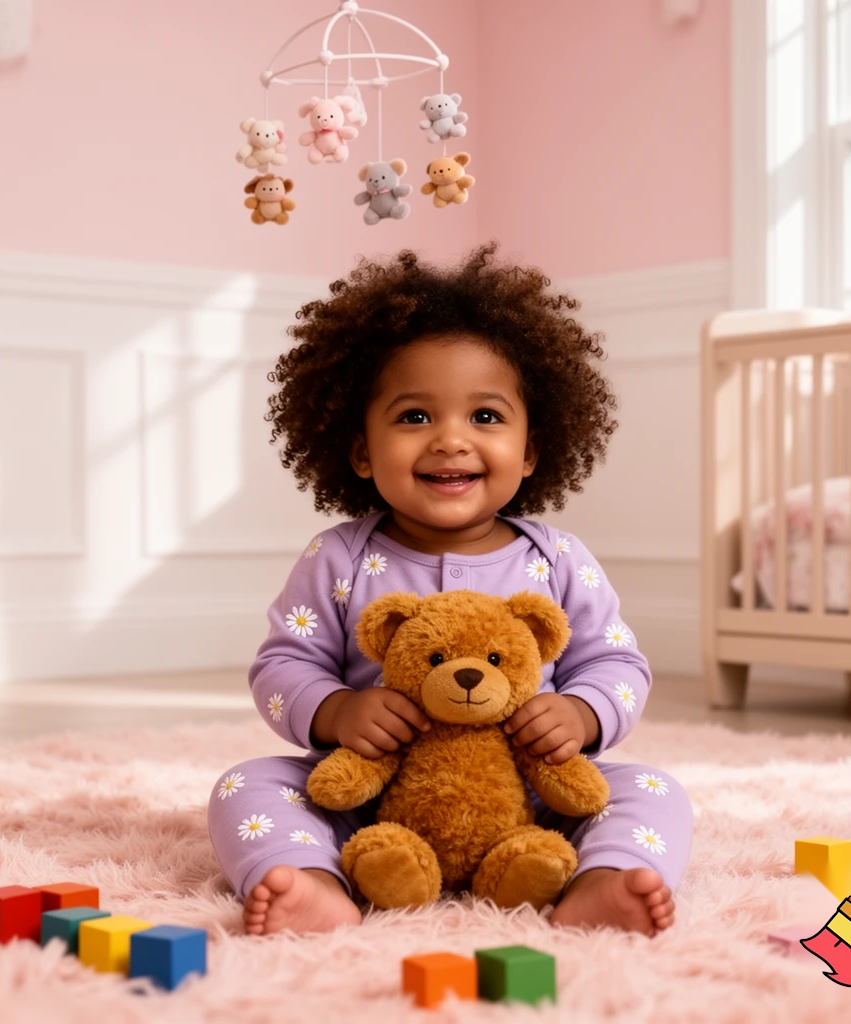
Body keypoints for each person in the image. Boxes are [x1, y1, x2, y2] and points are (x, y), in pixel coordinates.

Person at [207, 243, 693, 937]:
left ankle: (602, 883)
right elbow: (282, 666)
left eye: (486, 418)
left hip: (531, 795)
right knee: (246, 786)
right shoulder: (340, 555)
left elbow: (617, 664)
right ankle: (312, 882)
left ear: (530, 450)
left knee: (654, 792)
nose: (450, 441)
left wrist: (581, 716)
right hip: (370, 795)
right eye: (414, 417)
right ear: (361, 451)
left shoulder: (558, 559)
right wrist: (339, 710)